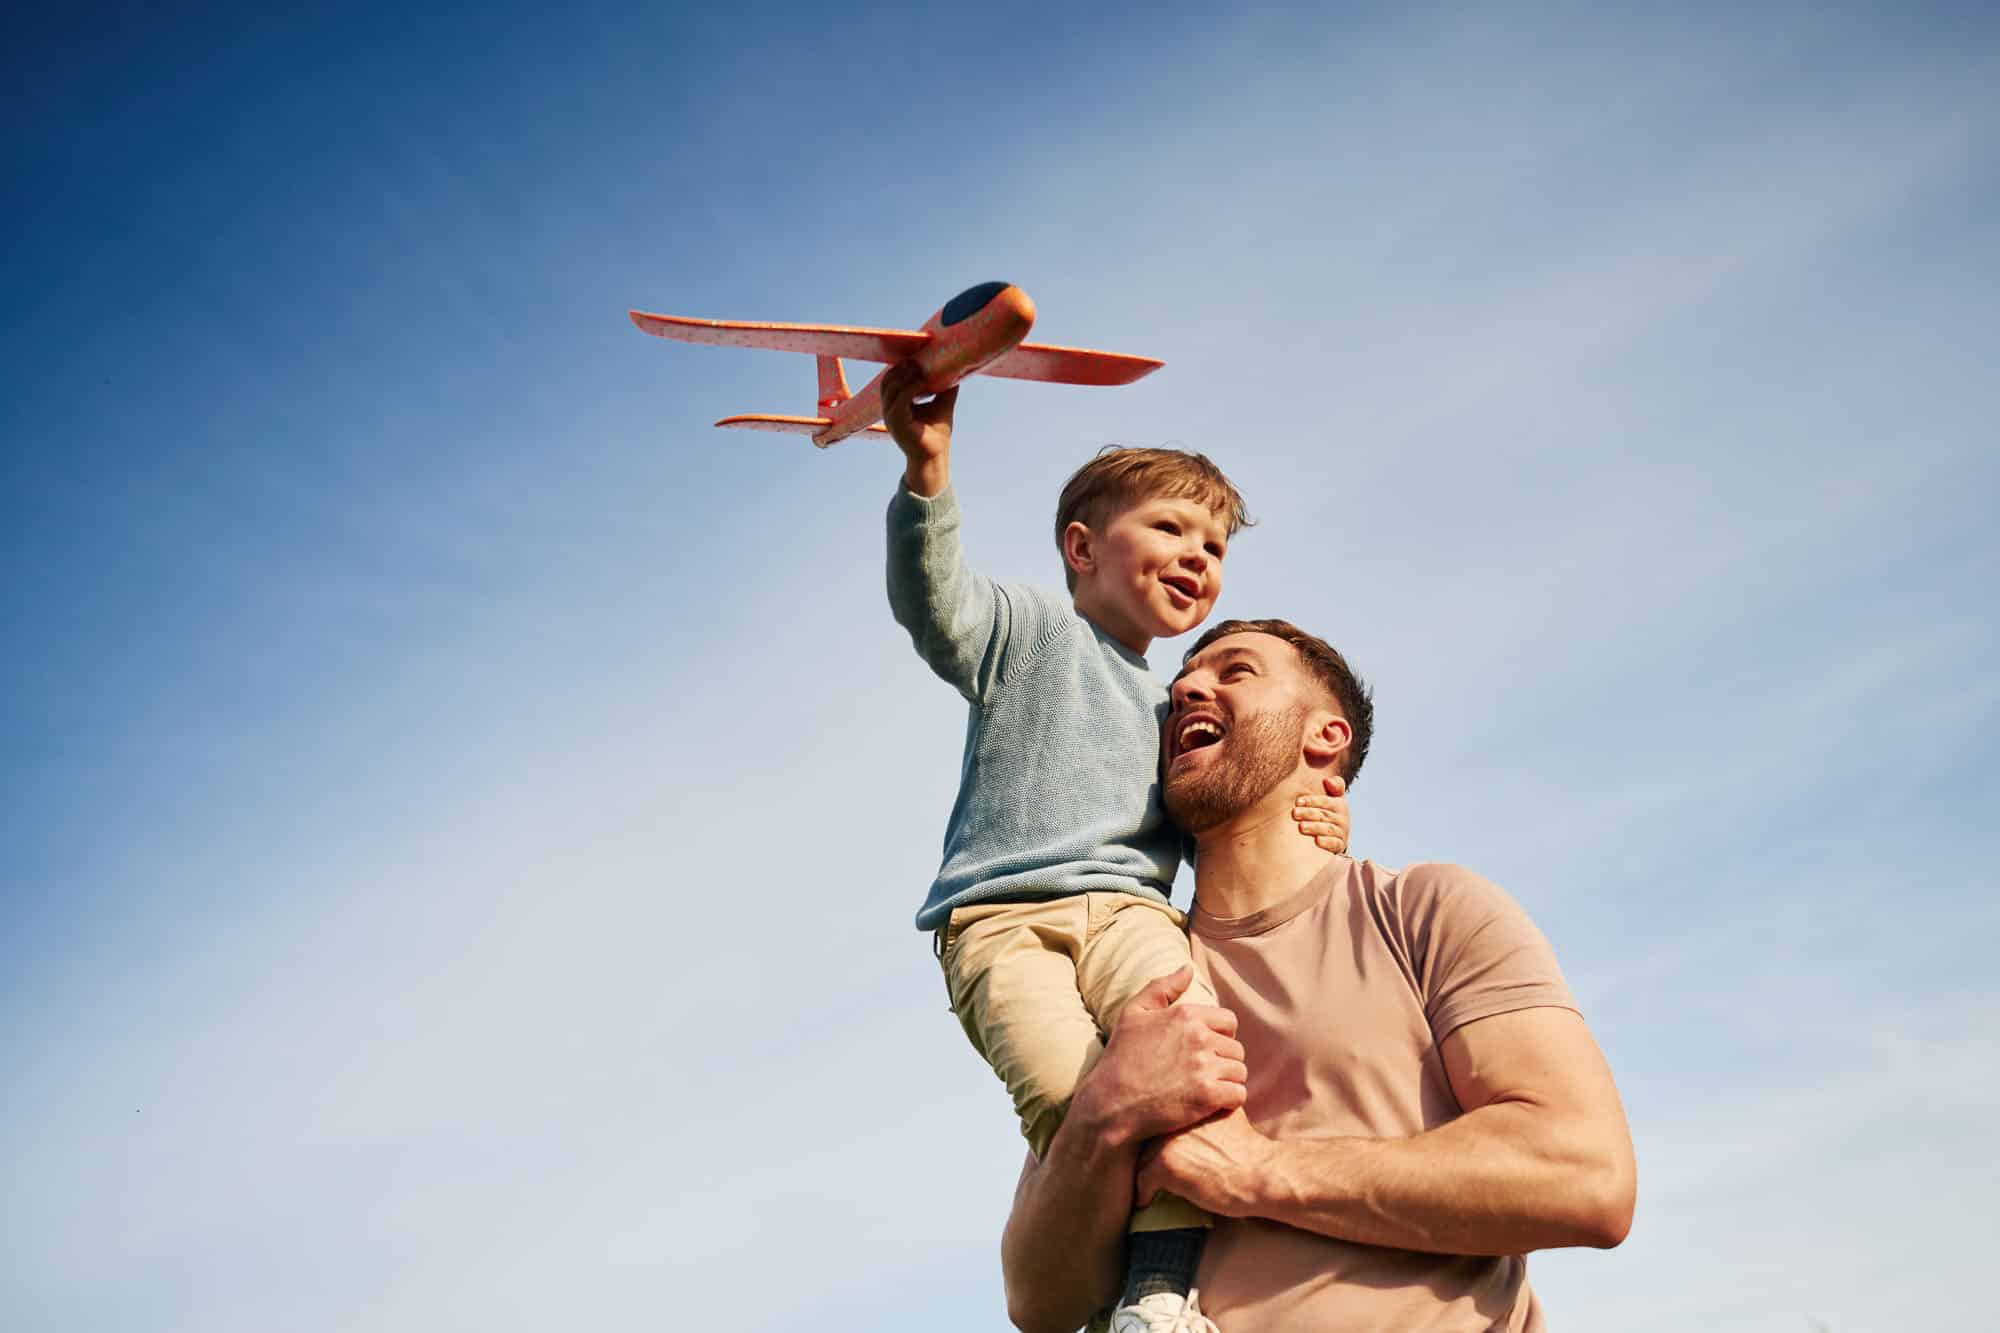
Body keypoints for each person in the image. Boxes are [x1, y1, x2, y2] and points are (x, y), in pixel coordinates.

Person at [878, 365, 1350, 1333]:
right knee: (1074, 1100)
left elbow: (1224, 818)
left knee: (1196, 1070)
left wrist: (1320, 814)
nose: (1197, 555)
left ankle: (1160, 1293)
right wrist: (927, 472)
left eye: (1212, 544)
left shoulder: (1180, 707)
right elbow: (933, 601)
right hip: (1001, 924)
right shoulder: (1029, 630)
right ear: (1082, 548)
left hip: (1133, 915)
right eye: (1171, 528)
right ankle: (1096, 1289)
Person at [1001, 619, 1636, 1332]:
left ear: (1325, 737)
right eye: (1183, 680)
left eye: (1235, 670)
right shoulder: (1123, 965)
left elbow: (1587, 1176)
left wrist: (1255, 1171)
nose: (1185, 688)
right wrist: (1105, 1112)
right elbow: (1038, 1301)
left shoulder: (1424, 910)